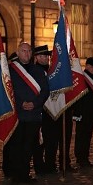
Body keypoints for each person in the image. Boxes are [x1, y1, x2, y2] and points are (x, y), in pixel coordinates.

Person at [6, 42, 48, 183]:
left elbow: (45, 91)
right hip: (17, 113)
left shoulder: (38, 71)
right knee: (16, 145)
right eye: (24, 51)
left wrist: (35, 104)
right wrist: (21, 103)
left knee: (29, 146)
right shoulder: (10, 70)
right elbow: (8, 90)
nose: (27, 54)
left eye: (29, 51)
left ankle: (25, 174)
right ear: (17, 53)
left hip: (33, 114)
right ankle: (16, 174)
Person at [31, 44, 62, 175]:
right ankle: (39, 166)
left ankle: (50, 164)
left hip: (52, 110)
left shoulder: (51, 71)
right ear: (37, 57)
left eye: (47, 56)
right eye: (42, 56)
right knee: (39, 141)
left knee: (52, 139)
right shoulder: (33, 71)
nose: (46, 58)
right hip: (40, 110)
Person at [70, 57, 93, 168]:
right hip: (82, 114)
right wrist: (77, 113)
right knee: (81, 137)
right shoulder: (82, 79)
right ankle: (80, 158)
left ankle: (85, 158)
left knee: (87, 137)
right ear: (87, 66)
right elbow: (77, 98)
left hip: (91, 114)